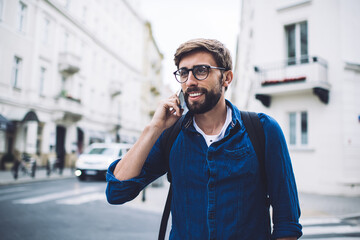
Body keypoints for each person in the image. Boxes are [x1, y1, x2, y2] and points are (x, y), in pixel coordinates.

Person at [106, 38, 302, 240]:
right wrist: (153, 129)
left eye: (201, 70)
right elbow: (117, 192)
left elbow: (287, 221)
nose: (190, 81)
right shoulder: (171, 135)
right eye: (183, 73)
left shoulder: (263, 129)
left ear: (226, 78)